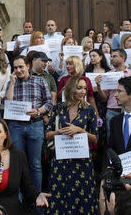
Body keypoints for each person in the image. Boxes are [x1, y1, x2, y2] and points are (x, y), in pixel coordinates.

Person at [45, 76, 99, 214]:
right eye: (79, 88)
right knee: (60, 197)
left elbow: (95, 139)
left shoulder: (89, 110)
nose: (83, 91)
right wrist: (59, 132)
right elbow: (47, 135)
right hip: (61, 161)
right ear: (70, 89)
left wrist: (80, 131)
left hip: (82, 162)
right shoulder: (58, 108)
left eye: (85, 88)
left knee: (83, 199)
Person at [5, 56, 53, 191]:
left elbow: (49, 103)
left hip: (35, 124)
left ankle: (37, 197)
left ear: (28, 66)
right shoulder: (12, 83)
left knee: (36, 164)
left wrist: (38, 111)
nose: (18, 70)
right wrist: (13, 83)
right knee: (17, 163)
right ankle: (20, 198)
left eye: (21, 67)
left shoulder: (40, 81)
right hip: (16, 126)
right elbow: (7, 102)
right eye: (15, 68)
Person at [97, 49, 131, 140]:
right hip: (112, 111)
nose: (112, 59)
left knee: (129, 139)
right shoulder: (108, 75)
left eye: (115, 56)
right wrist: (98, 86)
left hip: (128, 111)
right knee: (111, 139)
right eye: (111, 57)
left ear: (123, 58)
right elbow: (104, 98)